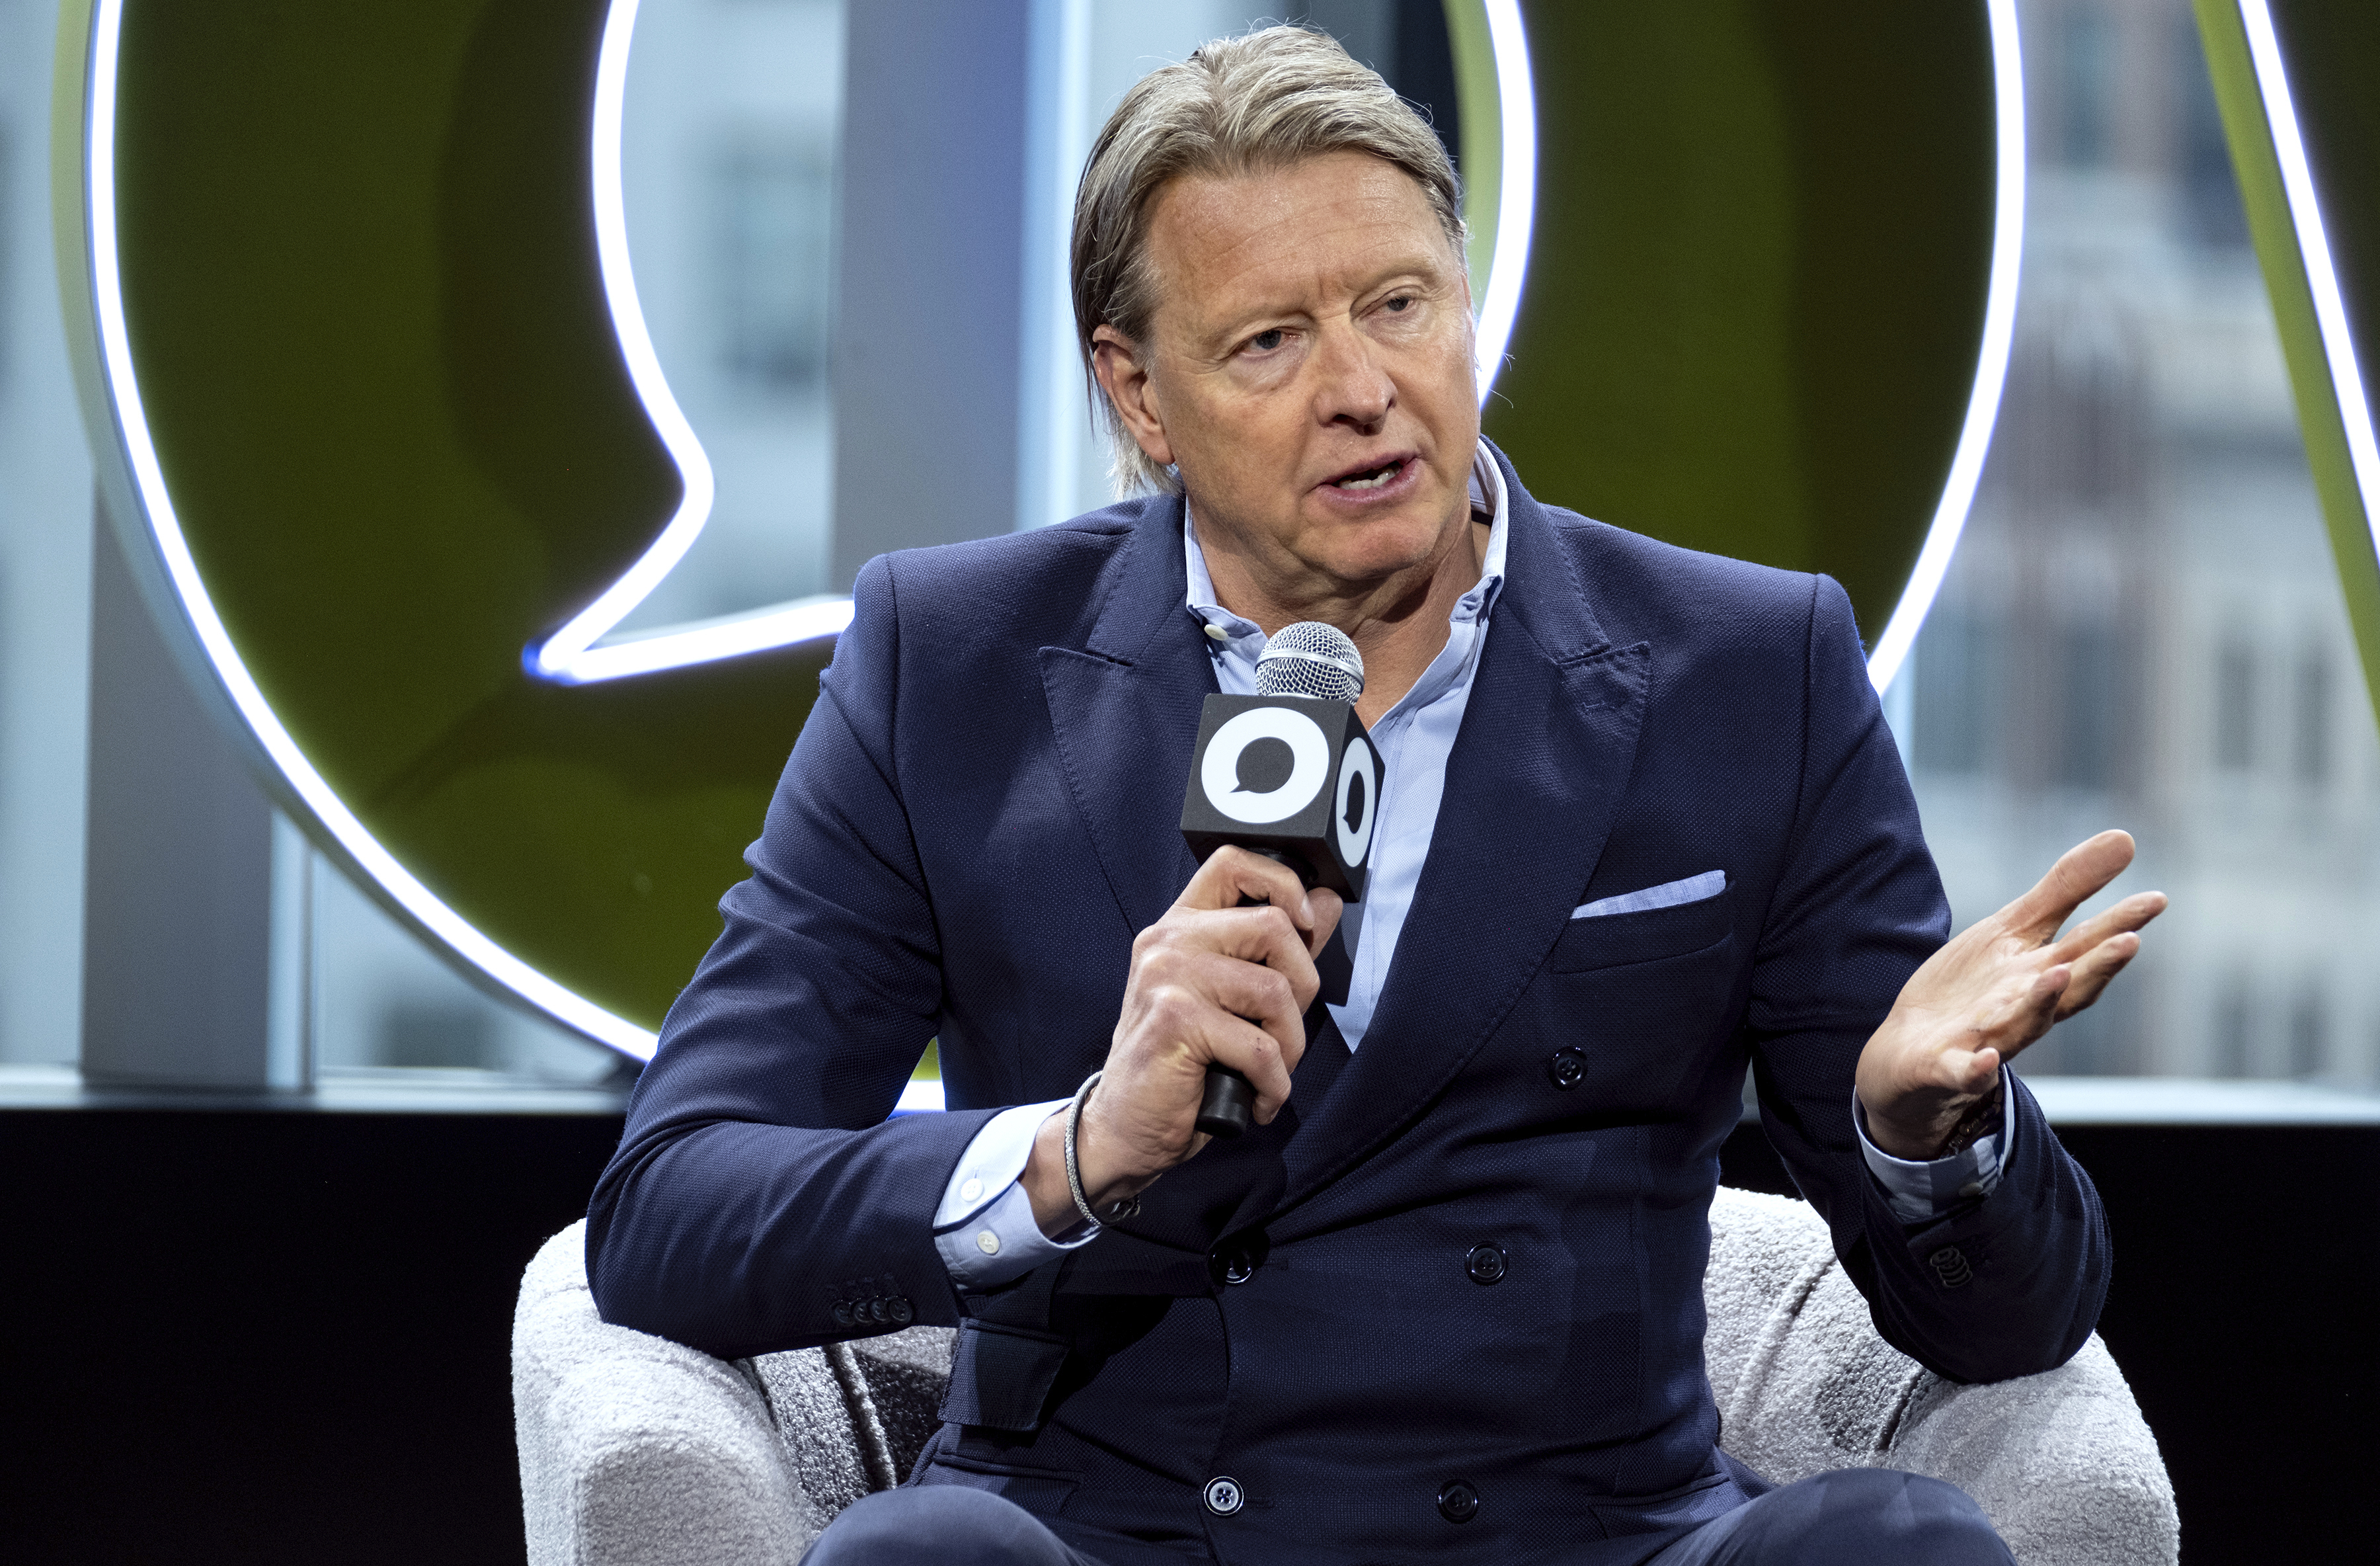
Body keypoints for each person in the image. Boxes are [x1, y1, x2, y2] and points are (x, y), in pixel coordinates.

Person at [588, 26, 2161, 1565]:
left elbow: (2006, 1320)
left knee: (1903, 1539)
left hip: (1580, 1532)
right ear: (1139, 394)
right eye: (1269, 340)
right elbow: (672, 1206)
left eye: (1400, 304)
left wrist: (1920, 1133)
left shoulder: (1749, 669)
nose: (1363, 387)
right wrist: (1072, 1149)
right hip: (1120, 1531)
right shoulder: (958, 663)